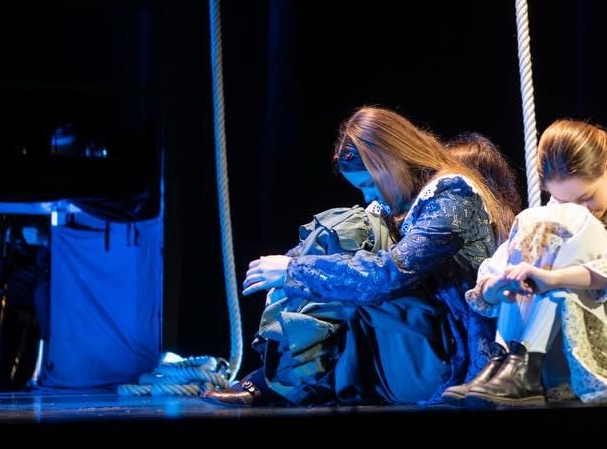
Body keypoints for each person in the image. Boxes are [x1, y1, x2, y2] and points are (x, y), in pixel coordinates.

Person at [202, 107, 513, 405]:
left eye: (369, 184)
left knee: (347, 243)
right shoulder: (396, 204)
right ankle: (291, 377)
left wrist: (294, 271)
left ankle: (284, 381)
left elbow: (389, 275)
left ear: (389, 165)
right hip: (410, 337)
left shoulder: (453, 195)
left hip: (446, 352)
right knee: (337, 244)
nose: (368, 195)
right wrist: (288, 281)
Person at [447, 119, 607, 405]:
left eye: (586, 198)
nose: (580, 210)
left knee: (556, 274)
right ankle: (506, 359)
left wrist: (553, 278)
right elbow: (499, 269)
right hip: (564, 338)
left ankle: (523, 364)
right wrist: (498, 285)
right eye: (563, 201)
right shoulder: (556, 210)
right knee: (533, 222)